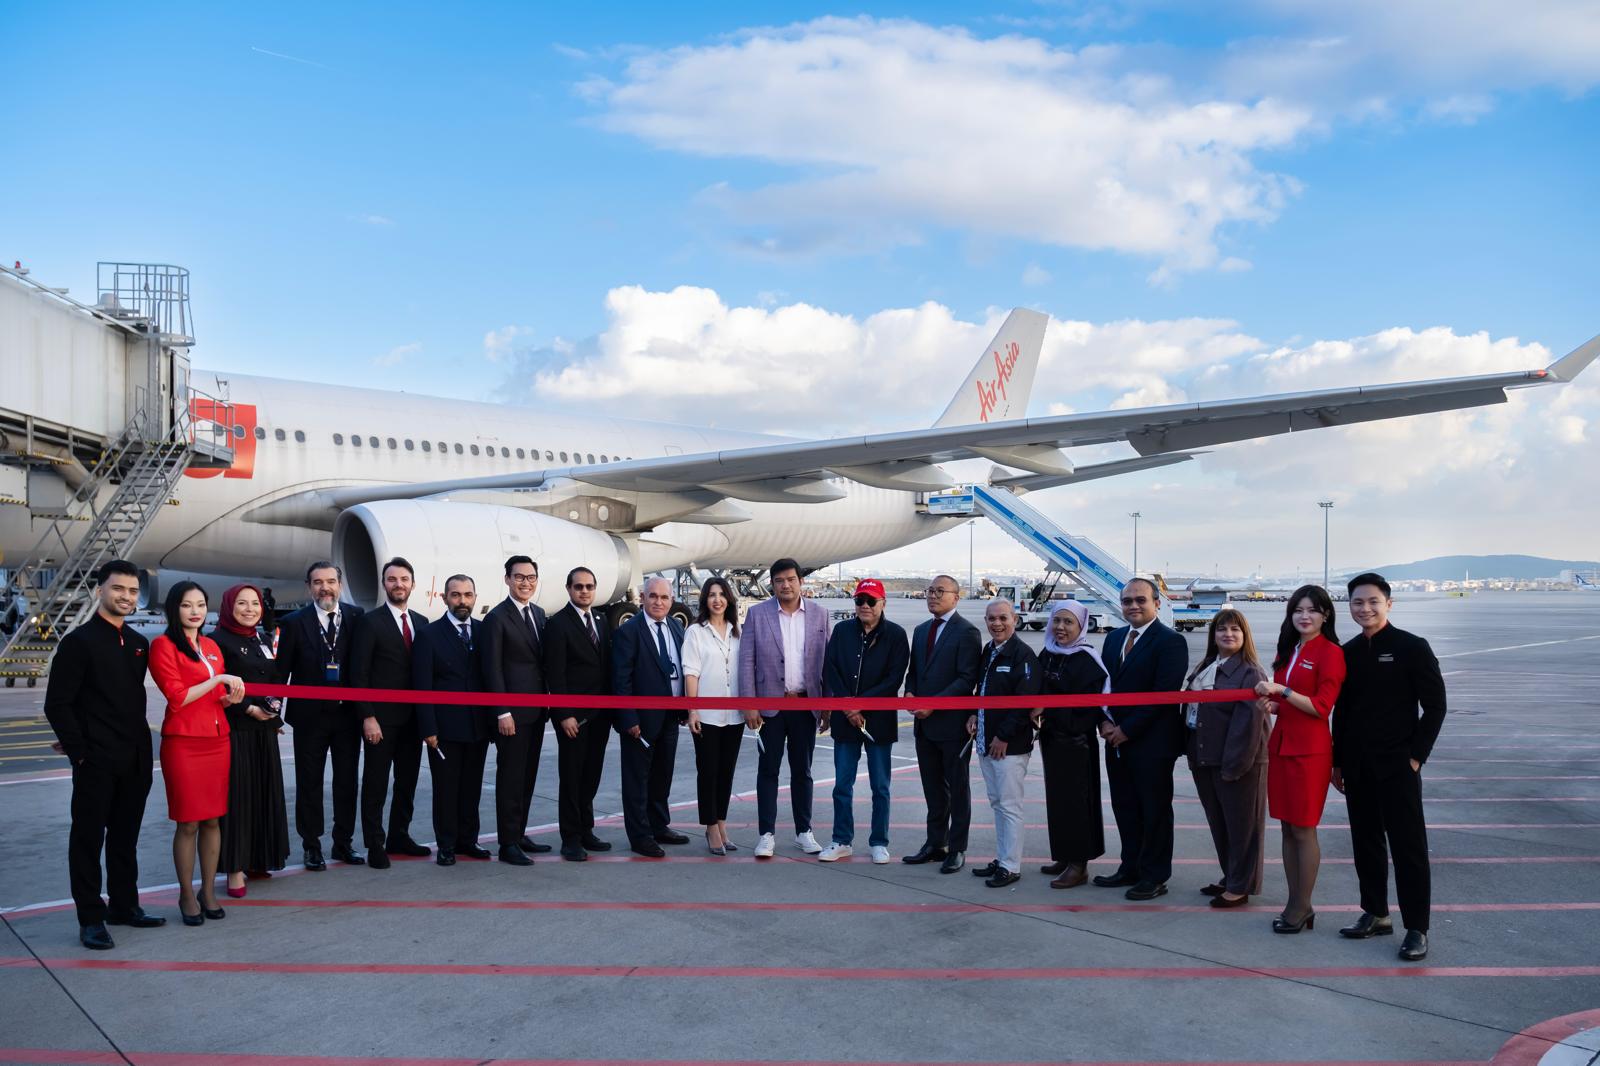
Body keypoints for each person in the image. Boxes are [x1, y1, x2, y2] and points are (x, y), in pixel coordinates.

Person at [44, 560, 166, 950]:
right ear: (100, 591)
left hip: (135, 758)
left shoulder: (138, 643)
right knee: (87, 839)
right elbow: (57, 704)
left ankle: (124, 906)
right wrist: (79, 752)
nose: (126, 597)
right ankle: (91, 918)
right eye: (118, 589)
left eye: (132, 591)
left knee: (125, 838)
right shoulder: (78, 643)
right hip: (96, 761)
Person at [1332, 572, 1447, 962]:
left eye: (1373, 601)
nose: (1364, 608)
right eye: (1357, 602)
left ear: (1388, 604)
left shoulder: (1412, 647)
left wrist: (1416, 756)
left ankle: (1417, 928)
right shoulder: (1347, 652)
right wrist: (1338, 761)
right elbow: (1342, 712)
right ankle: (1376, 913)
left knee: (1408, 846)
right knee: (1365, 841)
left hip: (1398, 765)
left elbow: (1436, 706)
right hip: (1357, 765)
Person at [149, 581, 245, 927]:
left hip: (217, 739)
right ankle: (186, 893)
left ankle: (207, 890)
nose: (195, 611)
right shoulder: (163, 646)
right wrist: (219, 679)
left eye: (201, 605)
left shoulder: (211, 645)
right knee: (188, 821)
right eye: (187, 605)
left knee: (213, 819)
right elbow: (177, 698)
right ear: (174, 609)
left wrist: (229, 697)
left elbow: (211, 697)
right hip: (184, 742)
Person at [1255, 584, 1346, 933]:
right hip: (1282, 746)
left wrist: (1283, 691)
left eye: (1312, 610)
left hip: (1309, 752)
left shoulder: (1330, 653)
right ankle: (1295, 901)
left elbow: (1321, 707)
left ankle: (1302, 905)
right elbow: (1291, 703)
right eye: (1298, 610)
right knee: (1287, 827)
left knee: (1304, 829)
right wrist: (1275, 705)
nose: (1304, 616)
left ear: (1326, 615)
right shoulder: (1291, 649)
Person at [1095, 577, 1189, 901]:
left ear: (1157, 604)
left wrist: (1126, 730)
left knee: (1154, 810)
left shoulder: (1171, 642)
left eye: (1140, 600)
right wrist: (1104, 722)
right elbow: (1103, 687)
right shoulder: (1113, 639)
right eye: (1127, 601)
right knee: (1125, 806)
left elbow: (1163, 694)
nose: (1133, 606)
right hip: (1115, 740)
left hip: (1152, 743)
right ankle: (1130, 867)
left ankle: (1155, 875)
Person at [274, 561, 366, 871]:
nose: (324, 588)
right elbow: (281, 672)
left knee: (347, 782)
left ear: (340, 584)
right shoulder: (293, 622)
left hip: (347, 717)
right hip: (309, 718)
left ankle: (343, 843)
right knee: (309, 783)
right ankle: (311, 845)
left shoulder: (357, 617)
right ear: (309, 586)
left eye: (330, 581)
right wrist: (273, 712)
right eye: (317, 582)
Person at [736, 557, 830, 858]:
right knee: (768, 770)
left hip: (805, 705)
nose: (785, 585)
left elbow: (827, 662)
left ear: (801, 581)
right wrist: (750, 705)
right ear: (772, 584)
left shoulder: (820, 614)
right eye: (779, 581)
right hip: (769, 708)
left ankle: (804, 831)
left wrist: (826, 705)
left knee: (803, 771)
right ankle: (766, 834)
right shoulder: (757, 614)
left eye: (790, 579)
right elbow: (746, 661)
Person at [1183, 609, 1270, 908]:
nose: (1228, 634)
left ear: (1245, 636)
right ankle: (1231, 876)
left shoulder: (1250, 673)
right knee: (1220, 824)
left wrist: (1235, 766)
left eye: (1235, 629)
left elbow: (1248, 726)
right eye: (1222, 629)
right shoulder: (1207, 666)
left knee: (1243, 828)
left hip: (1237, 762)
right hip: (1205, 757)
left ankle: (1241, 886)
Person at [818, 579, 909, 864]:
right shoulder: (842, 631)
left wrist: (860, 705)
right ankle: (841, 840)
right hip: (846, 721)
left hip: (879, 722)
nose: (865, 606)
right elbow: (830, 669)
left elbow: (894, 678)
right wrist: (848, 707)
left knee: (880, 787)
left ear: (883, 603)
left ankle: (879, 841)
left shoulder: (896, 635)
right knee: (842, 786)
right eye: (860, 601)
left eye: (871, 601)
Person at [349, 557, 430, 868]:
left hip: (413, 721)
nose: (399, 584)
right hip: (380, 721)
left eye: (404, 579)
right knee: (376, 784)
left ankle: (400, 836)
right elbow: (359, 674)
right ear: (384, 584)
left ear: (413, 584)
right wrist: (367, 716)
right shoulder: (370, 622)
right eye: (392, 579)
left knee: (406, 783)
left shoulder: (422, 622)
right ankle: (375, 844)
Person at [210, 584, 290, 898]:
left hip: (263, 730)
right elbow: (216, 685)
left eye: (254, 604)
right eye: (241, 603)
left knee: (263, 795)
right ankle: (234, 868)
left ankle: (258, 858)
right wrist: (249, 709)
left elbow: (274, 681)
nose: (249, 609)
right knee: (239, 799)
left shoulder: (263, 640)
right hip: (236, 731)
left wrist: (273, 713)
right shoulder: (217, 641)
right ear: (229, 607)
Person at [411, 575, 493, 866]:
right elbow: (421, 685)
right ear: (445, 598)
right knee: (446, 789)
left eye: (468, 595)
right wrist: (428, 728)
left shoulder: (484, 632)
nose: (462, 601)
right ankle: (446, 844)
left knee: (471, 787)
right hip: (444, 728)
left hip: (477, 726)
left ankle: (468, 840)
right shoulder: (429, 635)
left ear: (475, 598)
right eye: (456, 595)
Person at [904, 575, 981, 874]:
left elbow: (966, 679)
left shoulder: (967, 632)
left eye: (940, 591)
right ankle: (936, 843)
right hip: (924, 726)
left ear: (956, 597)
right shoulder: (922, 630)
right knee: (933, 789)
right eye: (930, 591)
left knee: (957, 789)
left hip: (952, 726)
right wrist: (910, 693)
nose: (933, 596)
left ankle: (957, 848)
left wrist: (932, 704)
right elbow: (914, 671)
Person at [479, 555, 551, 865]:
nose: (525, 582)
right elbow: (492, 668)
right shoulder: (497, 618)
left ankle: (519, 833)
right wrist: (502, 711)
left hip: (536, 711)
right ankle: (507, 844)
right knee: (510, 778)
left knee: (527, 776)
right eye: (519, 577)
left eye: (531, 577)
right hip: (511, 715)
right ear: (507, 579)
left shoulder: (539, 613)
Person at [610, 577, 689, 856]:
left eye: (664, 597)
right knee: (637, 780)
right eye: (653, 596)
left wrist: (684, 707)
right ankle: (640, 836)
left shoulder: (677, 627)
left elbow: (681, 668)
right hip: (640, 721)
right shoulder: (629, 631)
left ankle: (659, 825)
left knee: (662, 775)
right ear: (643, 598)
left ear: (672, 600)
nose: (658, 602)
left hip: (670, 716)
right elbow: (621, 679)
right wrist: (628, 718)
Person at [1035, 601, 1109, 890]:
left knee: (1078, 804)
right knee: (1058, 801)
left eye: (1068, 622)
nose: (1061, 628)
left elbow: (1089, 709)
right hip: (1052, 740)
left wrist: (1048, 711)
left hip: (1077, 743)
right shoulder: (1048, 653)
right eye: (1057, 621)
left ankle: (1079, 864)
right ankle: (1065, 855)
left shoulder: (1087, 660)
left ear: (1081, 626)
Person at [543, 566, 615, 861]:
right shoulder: (558, 623)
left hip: (600, 715)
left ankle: (586, 829)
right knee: (572, 778)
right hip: (573, 717)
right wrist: (564, 713)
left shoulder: (601, 619)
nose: (584, 591)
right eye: (578, 587)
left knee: (591, 775)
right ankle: (570, 838)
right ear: (569, 589)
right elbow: (555, 672)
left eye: (589, 586)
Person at [969, 600, 1040, 888]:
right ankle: (1002, 858)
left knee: (1010, 805)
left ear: (1015, 620)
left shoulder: (1023, 655)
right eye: (991, 619)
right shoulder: (989, 650)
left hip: (1009, 746)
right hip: (986, 741)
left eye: (1003, 618)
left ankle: (1011, 866)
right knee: (997, 803)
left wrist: (1004, 736)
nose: (996, 624)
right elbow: (982, 690)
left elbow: (1025, 702)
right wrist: (973, 714)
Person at [682, 576, 745, 855]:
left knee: (726, 772)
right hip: (706, 715)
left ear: (729, 599)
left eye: (721, 594)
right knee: (708, 771)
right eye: (711, 595)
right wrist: (692, 709)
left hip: (734, 716)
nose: (717, 600)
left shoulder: (737, 631)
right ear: (705, 600)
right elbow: (691, 673)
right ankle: (710, 827)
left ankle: (721, 823)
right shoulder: (695, 632)